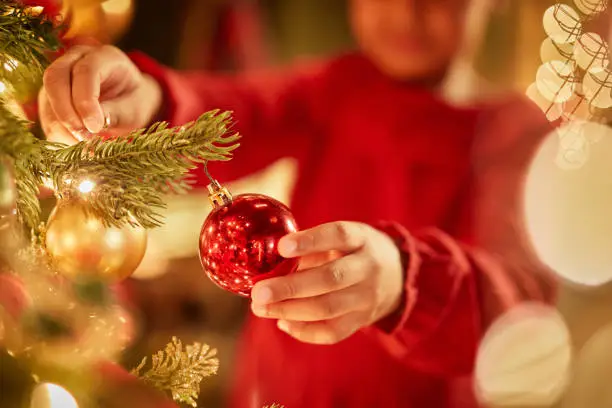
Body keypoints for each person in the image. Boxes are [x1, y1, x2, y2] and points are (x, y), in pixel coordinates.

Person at [38, 0, 556, 406]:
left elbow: (517, 301)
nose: (406, 11)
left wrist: (404, 280)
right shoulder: (332, 91)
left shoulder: (513, 133)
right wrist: (147, 103)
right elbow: (235, 112)